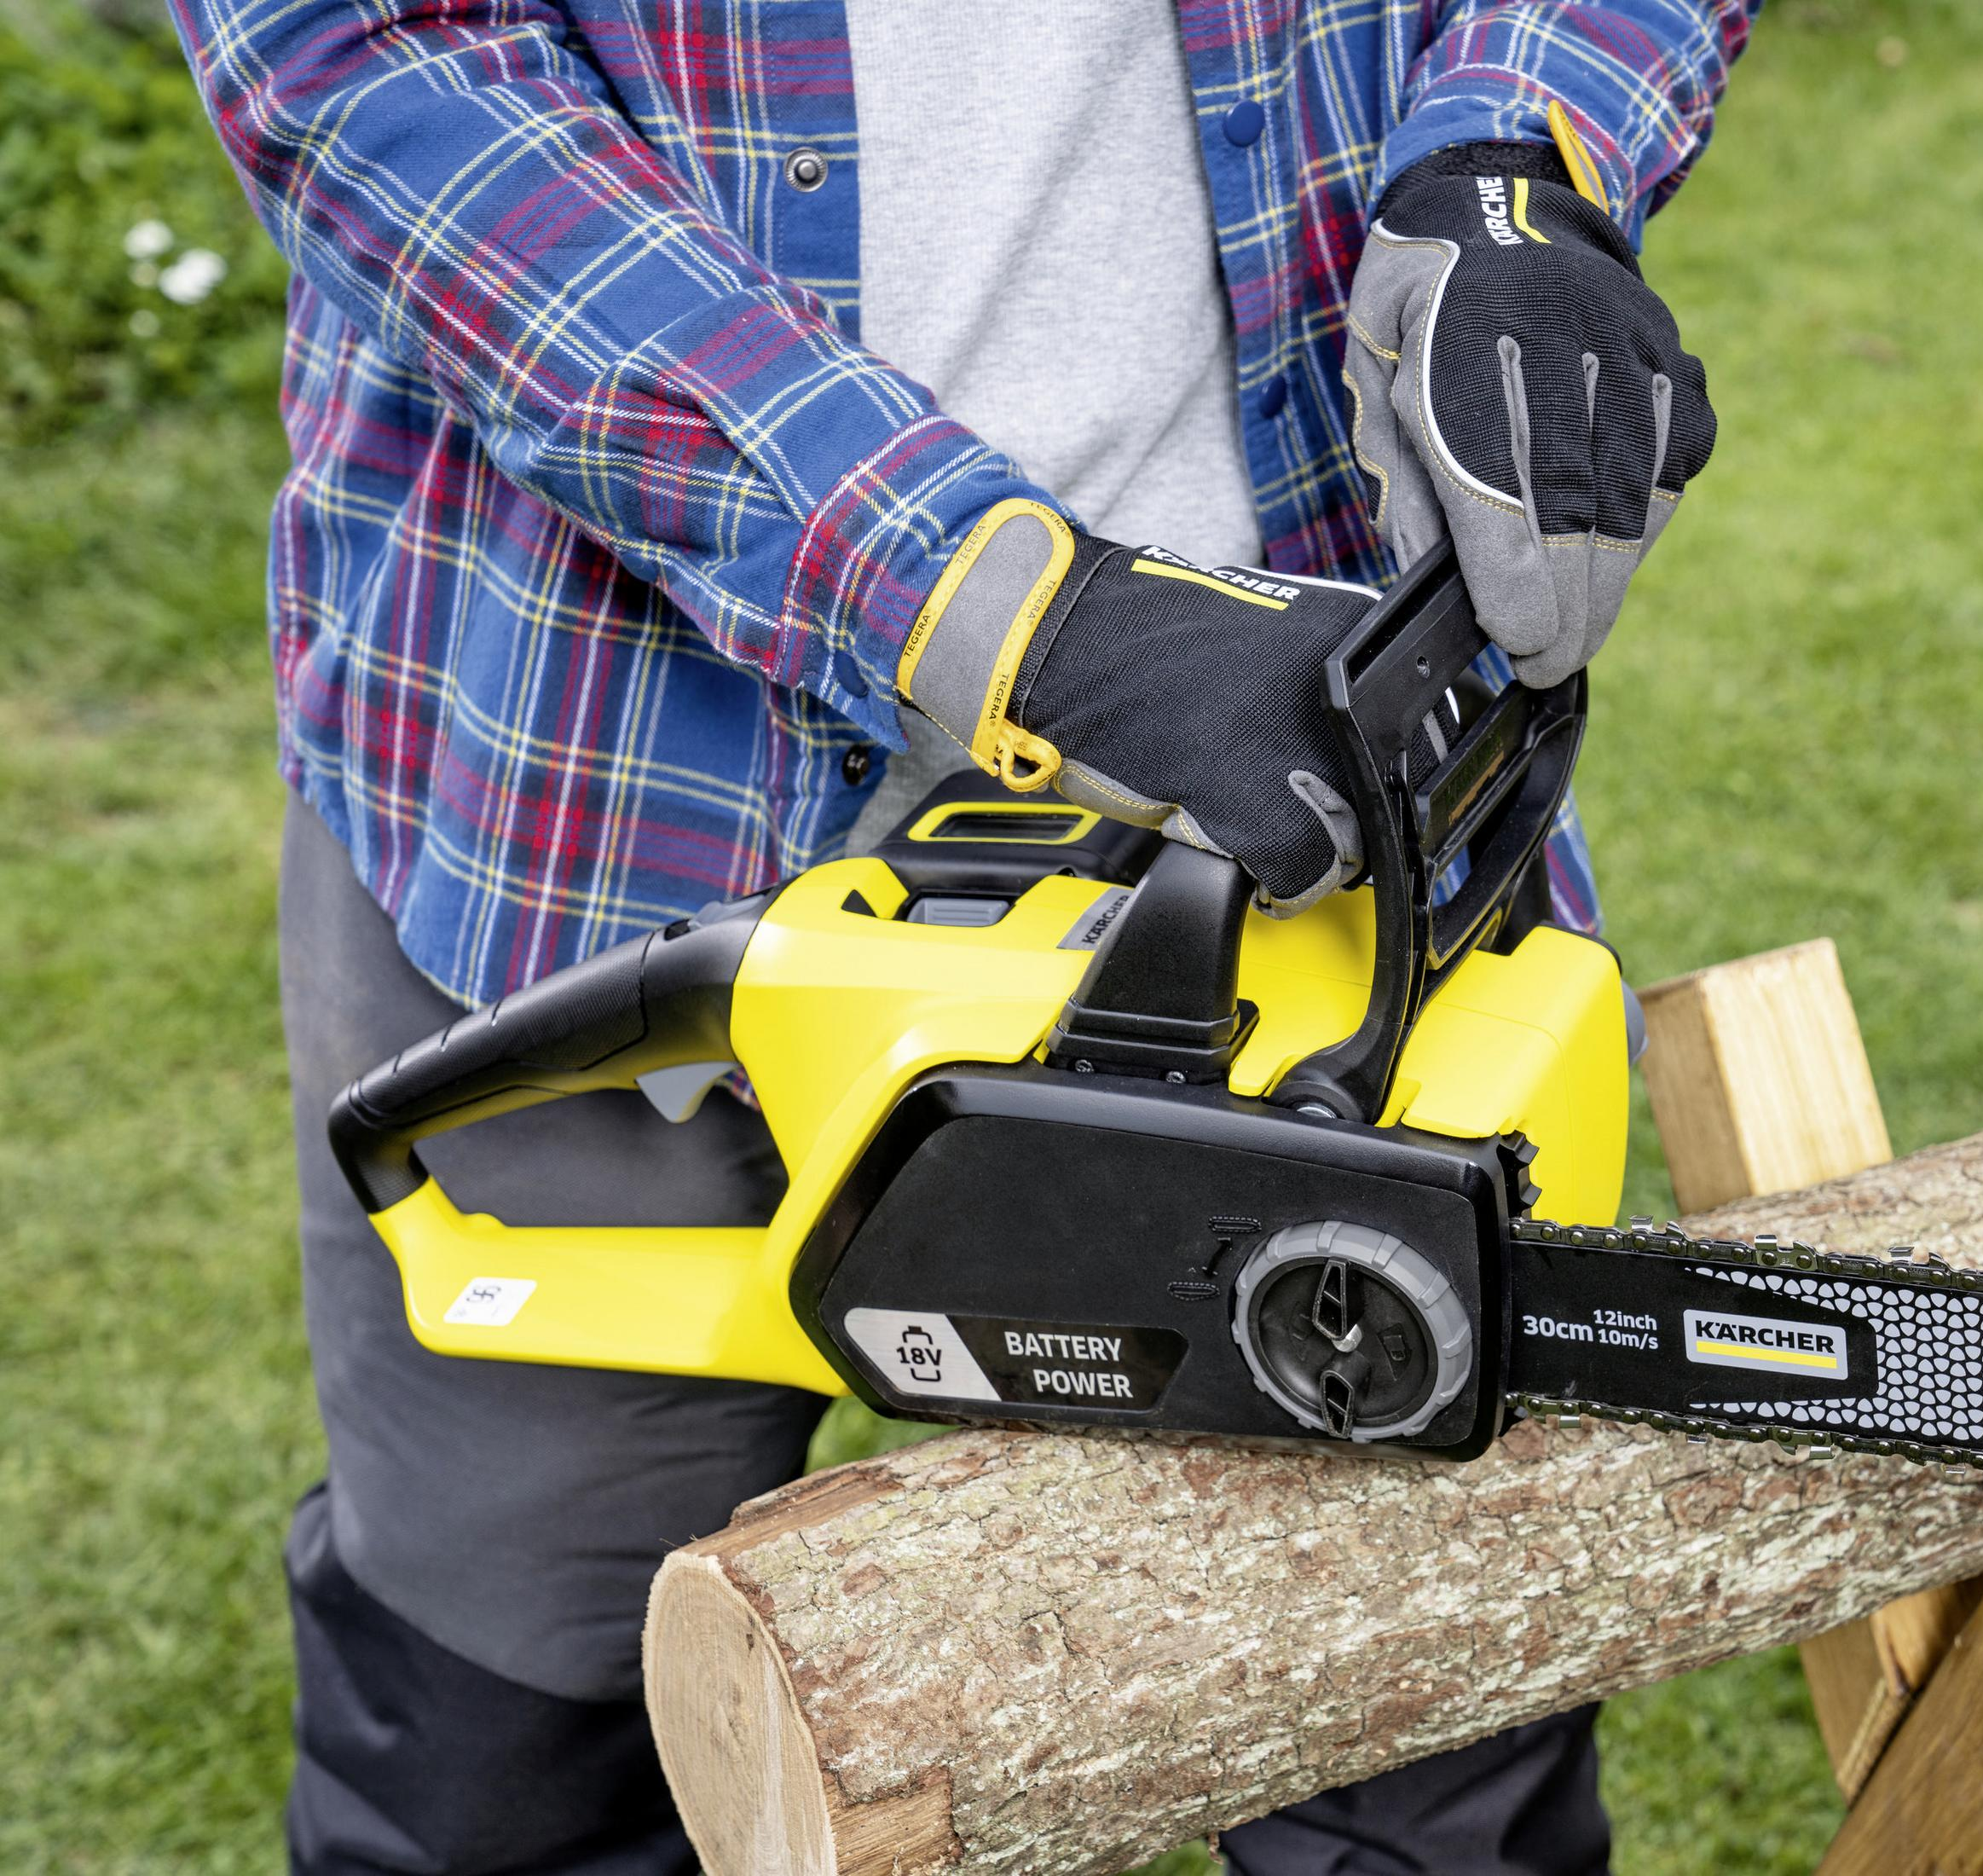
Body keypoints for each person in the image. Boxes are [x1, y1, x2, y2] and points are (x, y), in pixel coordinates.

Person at [167, 0, 1741, 1867]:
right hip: (580, 794)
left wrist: (1510, 163)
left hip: (1304, 788)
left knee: (1415, 1757)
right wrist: (1005, 606)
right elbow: (372, 64)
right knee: (507, 1736)